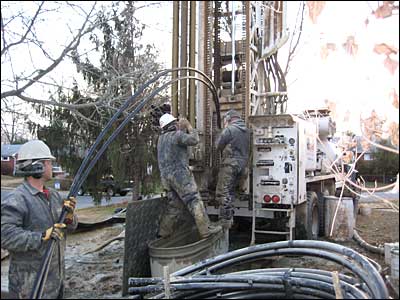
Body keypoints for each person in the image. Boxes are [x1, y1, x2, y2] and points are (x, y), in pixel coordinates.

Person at [1, 140, 78, 299]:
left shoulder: (54, 196)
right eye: (49, 162)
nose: (52, 167)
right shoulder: (17, 200)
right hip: (29, 288)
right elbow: (6, 237)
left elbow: (69, 228)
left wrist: (70, 217)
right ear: (38, 166)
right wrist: (42, 236)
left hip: (56, 282)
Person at [157, 113, 221, 239]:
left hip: (166, 178)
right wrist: (189, 126)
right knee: (194, 200)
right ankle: (205, 230)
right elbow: (194, 140)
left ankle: (163, 232)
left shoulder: (160, 139)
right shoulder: (177, 136)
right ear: (173, 125)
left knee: (174, 205)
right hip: (180, 177)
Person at [215, 109, 250, 229]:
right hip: (243, 166)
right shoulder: (247, 131)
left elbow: (218, 146)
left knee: (222, 192)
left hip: (230, 165)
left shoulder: (229, 129)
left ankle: (225, 221)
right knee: (231, 192)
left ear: (229, 119)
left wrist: (220, 132)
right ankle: (230, 217)